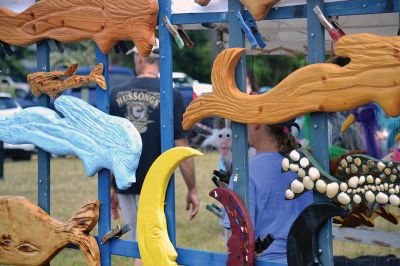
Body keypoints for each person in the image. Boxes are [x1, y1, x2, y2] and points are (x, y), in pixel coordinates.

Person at [109, 39, 200, 248]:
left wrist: (113, 187)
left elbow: (111, 146)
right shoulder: (171, 95)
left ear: (139, 57)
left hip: (125, 182)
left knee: (136, 242)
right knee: (151, 245)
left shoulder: (115, 94)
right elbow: (181, 147)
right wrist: (192, 188)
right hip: (157, 182)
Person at [246, 121, 313, 263]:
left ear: (256, 122)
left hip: (266, 261)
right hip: (307, 260)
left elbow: (242, 236)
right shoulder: (305, 169)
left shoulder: (245, 173)